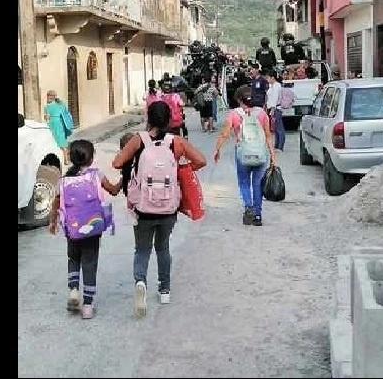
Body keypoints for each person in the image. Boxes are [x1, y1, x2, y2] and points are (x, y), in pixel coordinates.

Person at [112, 101, 207, 317]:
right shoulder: (177, 142)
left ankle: (141, 283)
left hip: (143, 208)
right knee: (163, 248)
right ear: (169, 119)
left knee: (142, 249)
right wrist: (179, 170)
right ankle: (165, 290)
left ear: (148, 117)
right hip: (168, 207)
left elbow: (117, 163)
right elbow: (201, 161)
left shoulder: (139, 140)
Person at [48, 140, 122, 319]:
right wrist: (123, 179)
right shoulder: (97, 176)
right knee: (90, 263)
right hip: (92, 229)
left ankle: (74, 289)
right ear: (91, 158)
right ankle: (87, 305)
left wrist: (53, 221)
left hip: (72, 230)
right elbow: (113, 190)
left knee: (73, 258)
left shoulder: (63, 181)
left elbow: (56, 203)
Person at [212, 85, 277, 227]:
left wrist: (217, 149)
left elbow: (224, 134)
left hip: (243, 154)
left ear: (239, 99)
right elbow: (268, 136)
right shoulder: (261, 113)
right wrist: (273, 155)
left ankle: (248, 207)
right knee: (258, 184)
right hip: (260, 154)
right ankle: (258, 215)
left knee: (244, 182)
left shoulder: (234, 114)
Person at [43, 90, 70, 165]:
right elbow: (65, 110)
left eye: (48, 96)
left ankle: (55, 160)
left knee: (53, 141)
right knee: (62, 140)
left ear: (50, 97)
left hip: (52, 124)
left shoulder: (47, 106)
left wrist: (46, 116)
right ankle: (66, 159)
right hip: (59, 123)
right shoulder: (60, 105)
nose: (47, 97)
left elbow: (46, 117)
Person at [264, 69, 285, 151]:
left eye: (268, 78)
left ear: (272, 78)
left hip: (276, 108)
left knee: (279, 128)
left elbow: (275, 98)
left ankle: (280, 146)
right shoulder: (271, 86)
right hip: (271, 108)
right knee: (275, 128)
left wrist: (273, 108)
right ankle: (276, 145)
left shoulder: (277, 86)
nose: (267, 79)